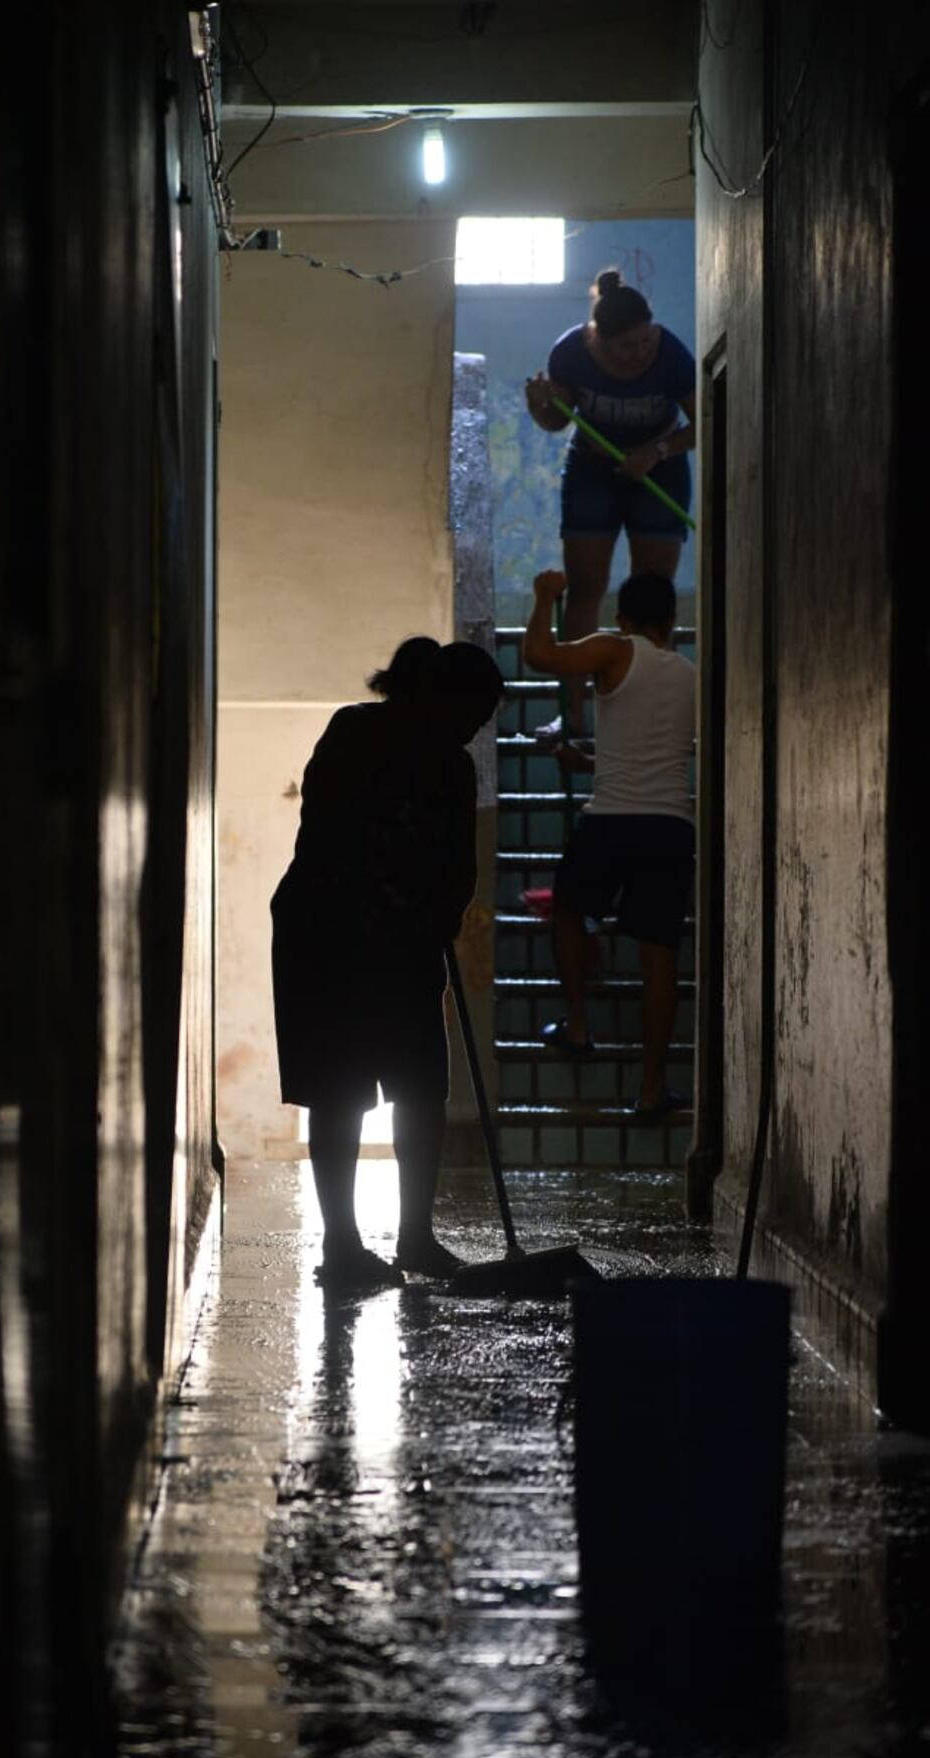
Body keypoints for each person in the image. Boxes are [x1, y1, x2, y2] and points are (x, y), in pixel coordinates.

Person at [270, 636, 504, 1290]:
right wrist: (396, 902)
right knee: (337, 1091)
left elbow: (459, 865)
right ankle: (342, 1245)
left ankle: (415, 1237)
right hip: (329, 941)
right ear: (437, 696)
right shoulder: (355, 733)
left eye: (483, 720)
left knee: (421, 1088)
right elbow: (329, 833)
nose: (474, 729)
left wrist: (439, 914)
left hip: (405, 945)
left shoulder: (454, 766)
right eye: (471, 713)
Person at [521, 568, 694, 1120]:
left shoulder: (616, 649)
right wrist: (590, 762)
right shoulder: (690, 676)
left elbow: (539, 655)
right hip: (670, 826)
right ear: (672, 620)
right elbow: (656, 754)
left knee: (569, 910)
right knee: (659, 956)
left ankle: (577, 1025)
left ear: (623, 619)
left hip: (613, 820)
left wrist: (545, 597)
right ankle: (651, 1089)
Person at [524, 268, 696, 742]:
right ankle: (574, 716)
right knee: (585, 588)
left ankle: (651, 716)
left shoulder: (671, 354)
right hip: (593, 470)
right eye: (627, 346)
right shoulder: (571, 352)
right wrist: (539, 405)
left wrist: (656, 452)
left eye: (645, 341)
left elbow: (706, 420)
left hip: (660, 468)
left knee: (652, 595)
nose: (639, 352)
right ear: (599, 337)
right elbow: (555, 422)